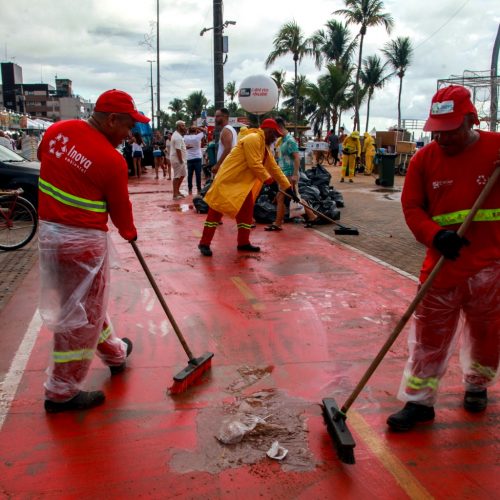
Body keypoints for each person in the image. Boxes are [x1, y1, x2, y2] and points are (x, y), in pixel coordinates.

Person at [386, 85, 500, 432]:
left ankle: (477, 385)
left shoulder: (496, 149)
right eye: (438, 131)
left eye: (451, 130)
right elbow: (411, 207)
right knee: (429, 338)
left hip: (490, 267)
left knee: (487, 335)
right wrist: (435, 235)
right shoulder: (424, 160)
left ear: (470, 120)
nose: (443, 138)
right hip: (442, 265)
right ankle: (419, 403)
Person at [37, 89, 149, 413]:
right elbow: (120, 209)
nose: (129, 133)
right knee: (79, 317)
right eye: (128, 126)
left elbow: (46, 159)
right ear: (111, 119)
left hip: (50, 236)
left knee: (87, 305)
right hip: (83, 245)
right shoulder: (111, 160)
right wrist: (129, 232)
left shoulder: (57, 131)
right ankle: (61, 392)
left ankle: (115, 353)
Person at [198, 118, 297, 257]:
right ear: (268, 131)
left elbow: (274, 168)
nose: (275, 138)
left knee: (246, 213)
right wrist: (270, 182)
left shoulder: (264, 147)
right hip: (228, 181)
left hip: (241, 185)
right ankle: (204, 243)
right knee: (216, 212)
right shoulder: (253, 139)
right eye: (274, 135)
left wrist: (288, 188)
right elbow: (254, 164)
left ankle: (243, 242)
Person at [264, 117, 318, 231]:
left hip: (289, 174)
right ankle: (312, 216)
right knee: (294, 196)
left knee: (281, 197)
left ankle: (278, 223)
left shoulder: (290, 140)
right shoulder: (282, 141)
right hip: (283, 173)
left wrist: (295, 174)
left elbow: (297, 158)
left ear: (279, 127)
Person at [211, 108, 237, 175]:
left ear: (225, 116)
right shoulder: (228, 129)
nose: (215, 119)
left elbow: (228, 149)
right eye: (215, 116)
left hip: (226, 167)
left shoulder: (226, 130)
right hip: (227, 166)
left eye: (217, 116)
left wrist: (217, 165)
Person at [184, 125, 206, 194]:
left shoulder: (185, 137)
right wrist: (198, 127)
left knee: (190, 174)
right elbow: (205, 131)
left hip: (189, 158)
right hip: (197, 157)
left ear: (189, 131)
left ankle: (190, 188)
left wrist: (189, 129)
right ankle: (199, 188)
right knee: (198, 174)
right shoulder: (197, 137)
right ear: (195, 131)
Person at [170, 120, 187, 199]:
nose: (184, 127)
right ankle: (175, 194)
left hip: (180, 159)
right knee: (177, 176)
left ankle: (177, 191)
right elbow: (178, 150)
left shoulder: (178, 135)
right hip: (178, 160)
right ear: (178, 127)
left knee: (182, 175)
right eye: (183, 125)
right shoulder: (177, 137)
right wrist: (180, 160)